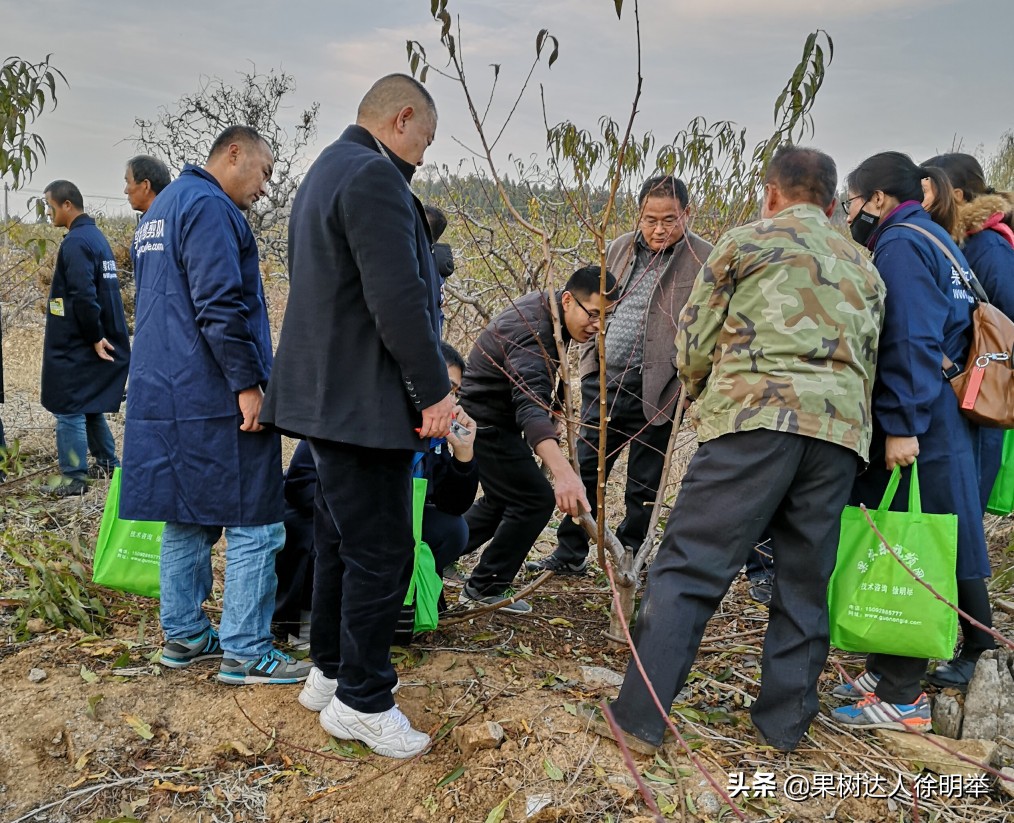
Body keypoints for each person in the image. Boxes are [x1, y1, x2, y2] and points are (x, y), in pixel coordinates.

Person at [593, 146, 885, 754]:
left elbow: (693, 339)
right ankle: (783, 727)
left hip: (754, 420)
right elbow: (871, 356)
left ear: (771, 194)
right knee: (804, 582)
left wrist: (702, 395)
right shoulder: (863, 264)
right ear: (832, 204)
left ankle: (641, 720)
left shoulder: (745, 242)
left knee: (691, 564)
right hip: (837, 436)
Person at [260, 74, 454, 760]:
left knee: (341, 537)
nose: (423, 158)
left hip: (326, 397)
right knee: (383, 552)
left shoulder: (325, 171)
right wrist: (434, 392)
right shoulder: (374, 178)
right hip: (362, 403)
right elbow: (397, 299)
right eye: (425, 140)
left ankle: (329, 668)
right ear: (402, 118)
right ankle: (364, 701)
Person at [121, 126, 308, 685]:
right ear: (234, 154)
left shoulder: (160, 209)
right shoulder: (209, 207)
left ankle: (183, 635)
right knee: (256, 522)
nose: (266, 188)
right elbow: (219, 304)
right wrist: (248, 383)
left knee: (188, 513)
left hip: (165, 391)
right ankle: (247, 652)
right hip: (214, 392)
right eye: (266, 172)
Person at [831, 151, 989, 728]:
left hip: (924, 417)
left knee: (910, 544)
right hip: (945, 411)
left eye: (851, 202)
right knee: (909, 531)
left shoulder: (899, 243)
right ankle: (884, 665)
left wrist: (900, 425)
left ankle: (903, 695)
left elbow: (911, 338)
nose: (849, 213)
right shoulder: (937, 239)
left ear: (876, 199)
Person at [530, 176, 713, 575]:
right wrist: (587, 363)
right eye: (650, 219)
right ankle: (569, 552)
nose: (659, 229)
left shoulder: (704, 258)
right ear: (639, 215)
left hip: (661, 387)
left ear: (687, 214)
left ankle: (629, 559)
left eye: (669, 219)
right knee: (588, 467)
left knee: (644, 481)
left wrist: (687, 384)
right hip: (605, 379)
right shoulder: (618, 247)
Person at [272, 342, 479, 647]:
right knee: (325, 534)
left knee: (452, 531)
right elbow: (299, 484)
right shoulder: (359, 410)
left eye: (454, 391)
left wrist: (464, 453)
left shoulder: (432, 437)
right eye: (443, 385)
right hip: (328, 518)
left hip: (387, 521)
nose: (448, 398)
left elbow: (453, 505)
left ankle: (392, 607)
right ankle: (308, 616)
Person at [458, 265, 616, 614]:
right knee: (535, 500)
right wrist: (563, 473)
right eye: (593, 314)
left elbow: (538, 392)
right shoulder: (533, 330)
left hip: (492, 417)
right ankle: (484, 587)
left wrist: (555, 408)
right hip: (484, 422)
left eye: (606, 317)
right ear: (567, 299)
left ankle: (436, 552)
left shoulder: (550, 313)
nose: (598, 326)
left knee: (504, 500)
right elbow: (529, 405)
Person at [918, 153, 1013, 688]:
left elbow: (1003, 322)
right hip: (964, 401)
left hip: (971, 405)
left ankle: (979, 644)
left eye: (927, 186)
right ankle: (966, 638)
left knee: (959, 524)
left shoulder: (985, 246)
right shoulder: (964, 243)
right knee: (955, 522)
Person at [40, 180, 130, 496]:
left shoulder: (76, 243)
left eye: (50, 206)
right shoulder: (95, 238)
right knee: (89, 405)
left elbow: (82, 294)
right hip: (93, 338)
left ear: (67, 205)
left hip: (76, 343)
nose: (47, 212)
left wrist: (94, 336)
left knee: (68, 409)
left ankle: (74, 478)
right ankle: (108, 465)